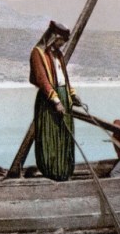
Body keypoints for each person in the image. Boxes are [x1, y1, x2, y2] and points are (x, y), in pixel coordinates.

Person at [29, 20, 84, 181]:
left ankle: (64, 170)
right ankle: (52, 171)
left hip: (63, 97)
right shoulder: (38, 53)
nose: (62, 44)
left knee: (64, 134)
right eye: (61, 41)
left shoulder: (58, 54)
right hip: (49, 101)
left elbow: (64, 78)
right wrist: (56, 101)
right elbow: (42, 80)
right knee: (50, 135)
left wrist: (72, 94)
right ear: (54, 37)